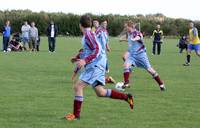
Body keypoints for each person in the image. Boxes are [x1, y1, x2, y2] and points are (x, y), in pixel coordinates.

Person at [65, 15, 134, 121]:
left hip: (95, 66)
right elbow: (88, 50)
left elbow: (96, 49)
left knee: (78, 87)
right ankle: (127, 97)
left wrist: (85, 60)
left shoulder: (88, 34)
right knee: (100, 92)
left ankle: (76, 116)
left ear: (80, 25)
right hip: (97, 64)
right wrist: (77, 57)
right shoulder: (88, 34)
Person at [121, 21, 166, 91]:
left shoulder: (136, 32)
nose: (125, 28)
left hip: (141, 55)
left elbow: (139, 36)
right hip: (132, 55)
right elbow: (130, 40)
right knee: (126, 65)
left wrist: (135, 38)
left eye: (126, 27)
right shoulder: (129, 33)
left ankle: (161, 84)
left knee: (150, 70)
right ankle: (126, 83)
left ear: (130, 27)